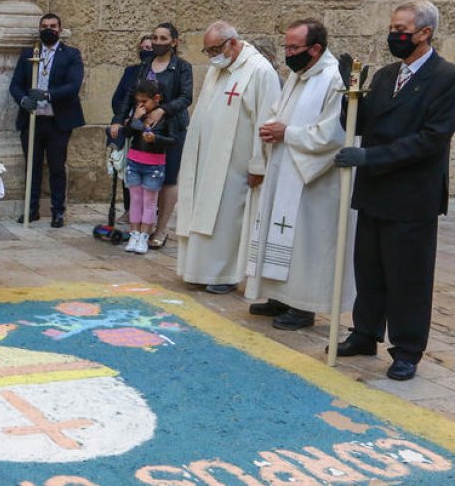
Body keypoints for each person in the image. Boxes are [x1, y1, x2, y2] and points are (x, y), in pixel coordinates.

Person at [332, 0, 455, 381]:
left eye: (401, 30)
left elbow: (430, 140)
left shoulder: (446, 78)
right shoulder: (387, 75)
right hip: (374, 192)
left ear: (424, 33)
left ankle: (406, 349)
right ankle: (365, 332)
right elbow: (360, 122)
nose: (394, 36)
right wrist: (348, 93)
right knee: (368, 269)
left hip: (411, 194)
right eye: (392, 29)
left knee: (408, 277)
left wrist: (368, 158)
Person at [246, 18, 352, 330]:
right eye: (287, 46)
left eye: (294, 47)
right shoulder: (299, 74)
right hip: (284, 165)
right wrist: (270, 129)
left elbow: (333, 134)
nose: (288, 53)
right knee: (280, 232)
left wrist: (286, 133)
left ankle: (303, 306)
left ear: (316, 49)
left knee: (306, 241)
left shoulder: (333, 79)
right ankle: (280, 295)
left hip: (313, 179)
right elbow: (280, 110)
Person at [176, 21, 279, 294]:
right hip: (206, 157)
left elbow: (266, 119)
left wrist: (259, 163)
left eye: (215, 50)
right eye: (207, 51)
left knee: (225, 219)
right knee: (202, 211)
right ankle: (197, 269)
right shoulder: (217, 67)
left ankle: (224, 275)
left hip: (235, 164)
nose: (212, 56)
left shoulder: (260, 71)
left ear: (232, 43)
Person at [111, 23, 193, 249]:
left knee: (168, 178)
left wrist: (162, 110)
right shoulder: (145, 65)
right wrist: (119, 119)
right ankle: (139, 228)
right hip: (142, 130)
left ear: (174, 42)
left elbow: (186, 97)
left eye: (163, 38)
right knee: (140, 179)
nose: (157, 42)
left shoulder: (182, 67)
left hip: (170, 129)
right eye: (155, 37)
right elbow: (130, 94)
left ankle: (160, 228)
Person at [8, 13, 85, 228]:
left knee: (56, 167)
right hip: (32, 121)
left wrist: (48, 95)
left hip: (57, 121)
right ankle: (30, 209)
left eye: (52, 26)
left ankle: (57, 211)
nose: (48, 29)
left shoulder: (70, 55)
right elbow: (15, 84)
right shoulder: (28, 54)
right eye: (44, 26)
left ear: (60, 29)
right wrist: (23, 99)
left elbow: (73, 85)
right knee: (31, 166)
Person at [121, 80, 176, 254]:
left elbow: (173, 140)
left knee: (149, 202)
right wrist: (134, 118)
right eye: (138, 102)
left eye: (144, 101)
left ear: (157, 99)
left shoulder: (166, 117)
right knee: (135, 200)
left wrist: (156, 139)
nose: (141, 105)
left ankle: (145, 235)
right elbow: (127, 133)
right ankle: (134, 233)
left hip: (153, 165)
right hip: (134, 162)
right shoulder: (137, 113)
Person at [109, 34, 154, 218]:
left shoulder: (161, 72)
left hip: (152, 128)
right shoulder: (131, 71)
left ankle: (150, 212)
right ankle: (130, 210)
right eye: (143, 48)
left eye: (150, 48)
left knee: (151, 172)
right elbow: (118, 99)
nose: (146, 51)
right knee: (129, 170)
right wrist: (125, 118)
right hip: (131, 126)